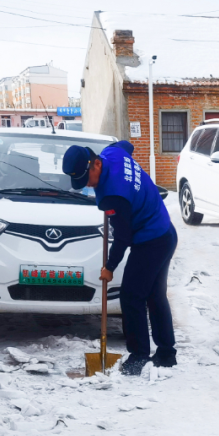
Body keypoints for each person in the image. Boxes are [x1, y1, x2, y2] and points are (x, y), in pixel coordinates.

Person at [63, 140, 177, 375]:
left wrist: (110, 267)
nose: (87, 185)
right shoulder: (112, 152)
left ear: (96, 163)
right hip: (165, 232)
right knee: (155, 295)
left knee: (131, 297)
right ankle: (166, 354)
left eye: (87, 179)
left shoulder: (112, 196)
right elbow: (126, 145)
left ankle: (139, 356)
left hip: (151, 241)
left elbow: (123, 237)